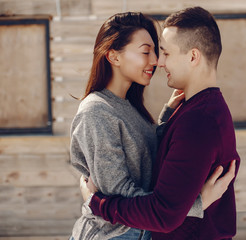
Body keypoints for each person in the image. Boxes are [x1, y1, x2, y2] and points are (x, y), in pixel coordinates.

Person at [70, 11, 235, 240]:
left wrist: (167, 118)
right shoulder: (96, 112)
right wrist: (197, 204)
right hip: (113, 235)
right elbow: (121, 194)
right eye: (147, 52)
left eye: (159, 52)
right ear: (114, 57)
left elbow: (148, 160)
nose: (157, 61)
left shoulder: (130, 107)